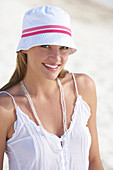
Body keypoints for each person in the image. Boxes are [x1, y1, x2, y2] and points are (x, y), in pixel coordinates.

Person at [0, 5, 103, 170]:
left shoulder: (83, 89)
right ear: (25, 47)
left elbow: (94, 161)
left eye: (63, 48)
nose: (56, 58)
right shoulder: (5, 108)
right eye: (45, 46)